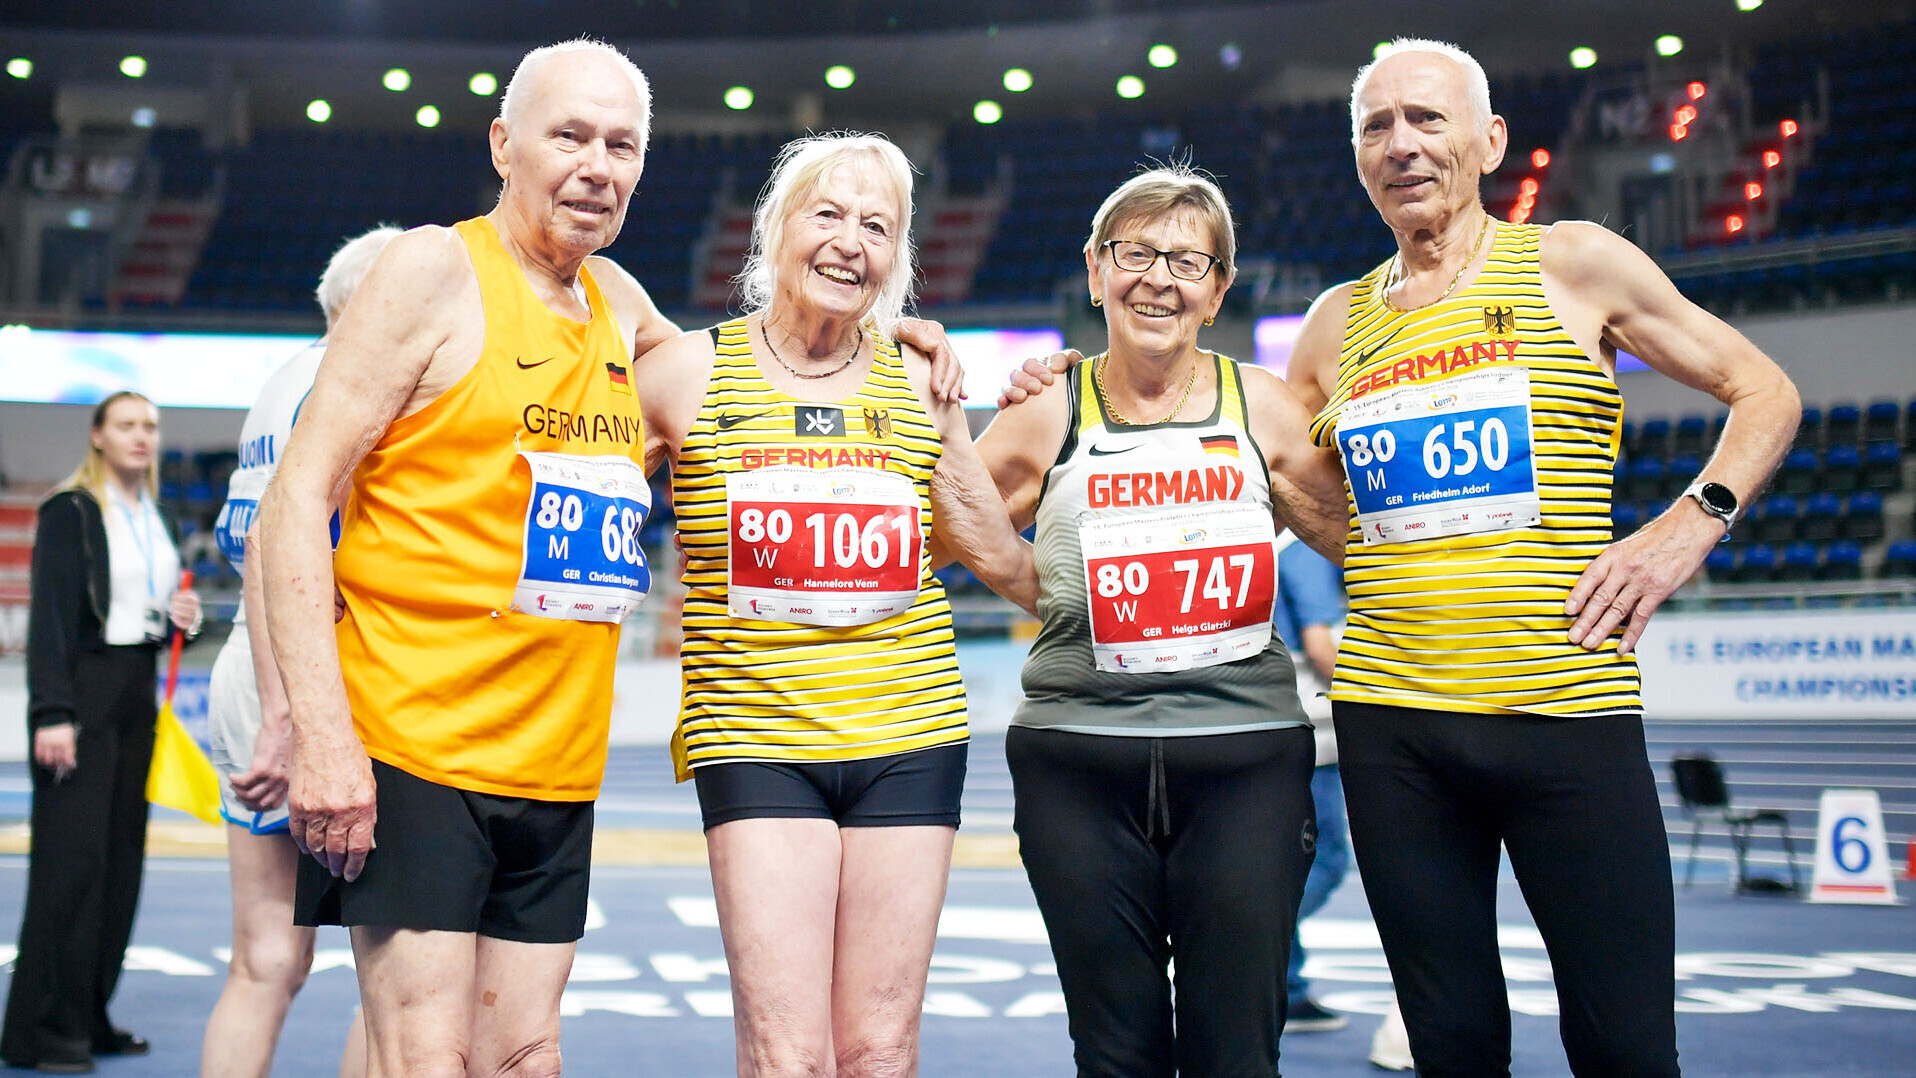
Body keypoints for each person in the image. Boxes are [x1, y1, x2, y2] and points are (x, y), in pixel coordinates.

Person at [1280, 38, 1801, 1077]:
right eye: (1376, 126)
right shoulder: (1333, 324)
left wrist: (1685, 525)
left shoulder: (1572, 264)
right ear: (1358, 158)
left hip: (1566, 707)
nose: (1401, 144)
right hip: (1392, 728)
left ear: (1489, 141)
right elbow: (1280, 471)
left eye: (1426, 118)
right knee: (1451, 1047)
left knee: (1624, 1047)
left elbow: (1764, 391)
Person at [257, 39, 681, 1076]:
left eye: (621, 145)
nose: (596, 167)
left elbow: (745, 381)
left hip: (558, 763)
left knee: (525, 1057)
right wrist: (322, 737)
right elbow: (293, 499)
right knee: (423, 1057)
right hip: (416, 749)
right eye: (568, 136)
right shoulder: (433, 271)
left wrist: (885, 343)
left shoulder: (621, 304)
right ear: (503, 145)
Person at [630, 132, 1035, 1078]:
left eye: (877, 227)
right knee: (787, 1053)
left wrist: (1042, 401)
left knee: (880, 1050)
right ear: (776, 228)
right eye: (828, 214)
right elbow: (565, 507)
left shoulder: (921, 379)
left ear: (898, 258)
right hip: (756, 737)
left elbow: (998, 556)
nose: (851, 242)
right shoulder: (684, 374)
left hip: (913, 732)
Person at [970, 166, 1347, 1078]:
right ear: (1096, 269)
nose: (1158, 279)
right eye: (1136, 253)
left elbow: (1359, 538)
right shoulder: (1047, 410)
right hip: (1078, 766)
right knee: (1115, 1056)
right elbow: (943, 530)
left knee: (1237, 1055)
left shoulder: (1262, 404)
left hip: (1245, 761)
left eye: (1187, 261)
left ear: (1218, 290)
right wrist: (1048, 589)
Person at [200, 226, 399, 1078]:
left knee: (265, 958)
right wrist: (289, 717)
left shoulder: (279, 379)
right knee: (394, 973)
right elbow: (275, 550)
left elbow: (245, 539)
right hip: (314, 673)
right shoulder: (353, 386)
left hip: (250, 668)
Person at [3, 392, 202, 1072]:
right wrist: (51, 712)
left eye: (149, 426)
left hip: (135, 691)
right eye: (126, 425)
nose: (141, 436)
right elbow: (52, 619)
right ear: (97, 436)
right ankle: (38, 1030)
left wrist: (181, 616)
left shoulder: (157, 516)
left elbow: (146, 611)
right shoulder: (71, 510)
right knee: (71, 868)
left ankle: (89, 1016)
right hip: (82, 693)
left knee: (120, 865)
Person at [1269, 534, 1350, 1036]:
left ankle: (1287, 986)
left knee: (1279, 856)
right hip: (1308, 725)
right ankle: (1252, 934)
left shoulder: (1259, 539)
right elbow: (1320, 645)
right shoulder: (1301, 548)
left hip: (1263, 716)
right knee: (1325, 857)